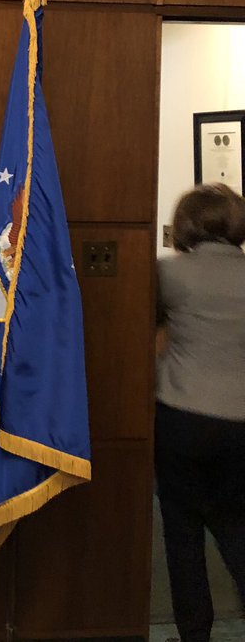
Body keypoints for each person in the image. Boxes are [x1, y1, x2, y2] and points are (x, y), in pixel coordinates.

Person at [154, 183, 245, 642]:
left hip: (182, 418)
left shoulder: (170, 274)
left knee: (182, 530)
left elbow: (145, 330)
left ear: (185, 224)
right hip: (242, 424)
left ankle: (195, 633)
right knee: (237, 527)